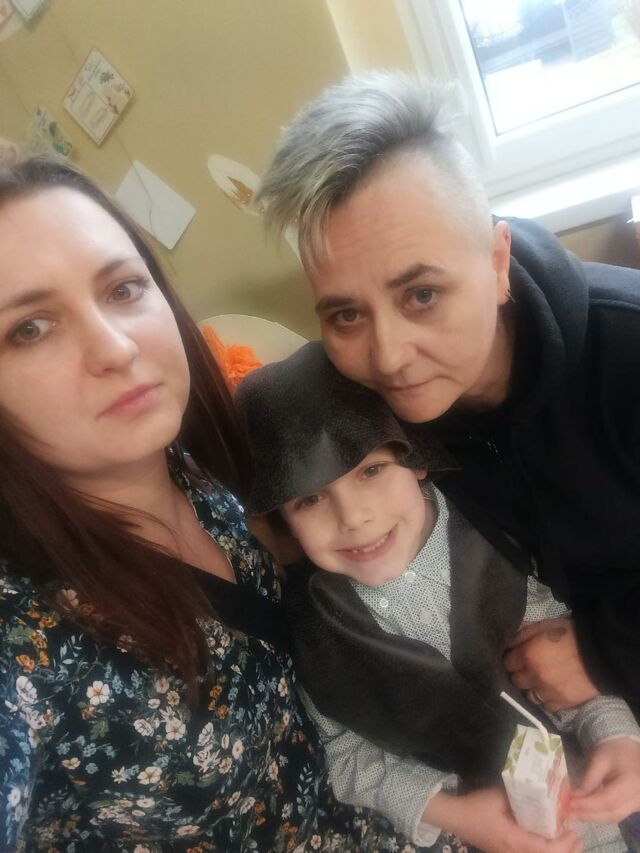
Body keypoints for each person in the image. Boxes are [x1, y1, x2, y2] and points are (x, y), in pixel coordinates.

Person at [0, 157, 469, 853]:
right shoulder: (25, 637)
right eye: (29, 329)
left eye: (124, 288)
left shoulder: (208, 474)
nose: (116, 348)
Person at [255, 71, 640, 736]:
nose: (388, 356)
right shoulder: (368, 405)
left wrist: (606, 651)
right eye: (346, 315)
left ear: (496, 262)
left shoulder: (627, 353)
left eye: (422, 295)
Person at [235, 340, 640, 853]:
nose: (354, 517)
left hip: (602, 799)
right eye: (310, 499)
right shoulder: (317, 631)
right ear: (284, 520)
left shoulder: (493, 536)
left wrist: (618, 735)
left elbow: (566, 657)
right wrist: (453, 813)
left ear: (415, 459)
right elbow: (344, 755)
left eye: (371, 471)